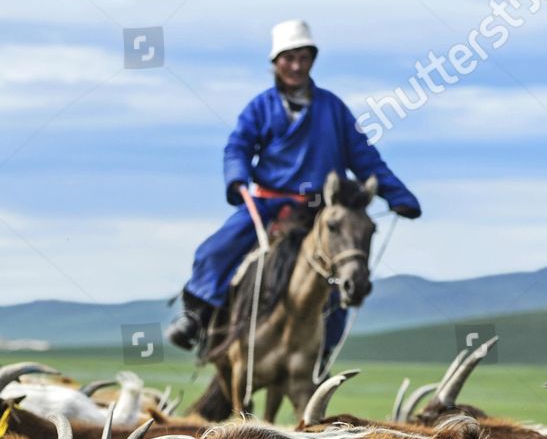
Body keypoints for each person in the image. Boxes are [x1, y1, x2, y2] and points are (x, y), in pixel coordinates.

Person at [165, 19, 422, 351]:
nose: (297, 66)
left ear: (313, 60)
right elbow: (238, 146)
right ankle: (197, 319)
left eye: (304, 57)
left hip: (320, 211)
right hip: (269, 205)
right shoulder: (260, 107)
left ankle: (322, 349)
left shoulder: (334, 109)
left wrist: (399, 196)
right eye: (289, 58)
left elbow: (365, 158)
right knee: (215, 250)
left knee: (337, 273)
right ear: (275, 62)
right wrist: (237, 178)